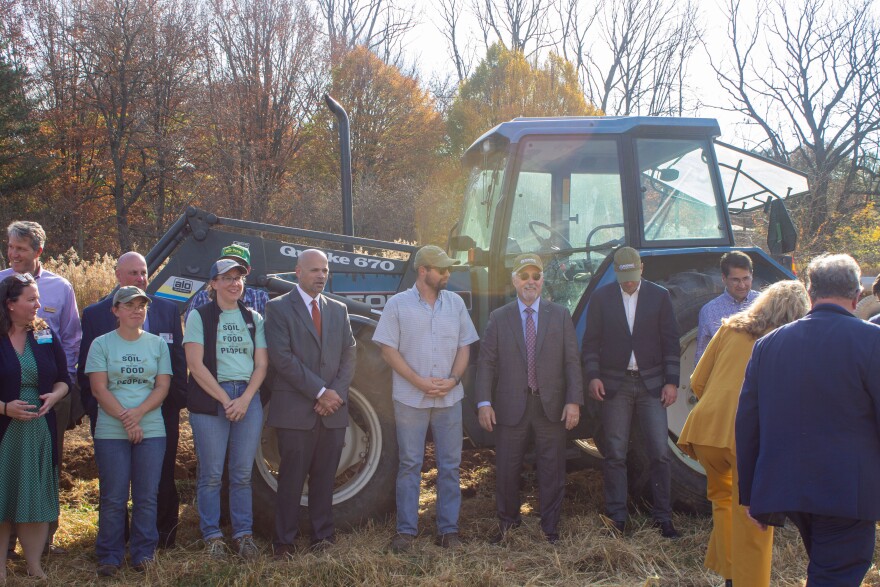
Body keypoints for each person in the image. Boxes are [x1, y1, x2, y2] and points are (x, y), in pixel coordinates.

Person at [736, 254, 880, 586]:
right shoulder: (872, 341)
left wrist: (752, 495)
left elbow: (747, 425)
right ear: (858, 295)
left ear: (810, 293)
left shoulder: (768, 345)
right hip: (848, 490)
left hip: (789, 485)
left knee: (826, 566)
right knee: (836, 574)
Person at [677, 280, 809, 587]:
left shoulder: (730, 327)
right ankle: (749, 582)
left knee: (723, 503)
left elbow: (697, 380)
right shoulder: (786, 340)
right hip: (747, 439)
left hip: (706, 431)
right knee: (755, 516)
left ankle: (730, 576)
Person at [373, 245, 479, 553]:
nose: (448, 274)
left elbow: (464, 346)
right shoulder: (398, 305)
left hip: (449, 398)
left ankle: (448, 531)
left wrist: (454, 380)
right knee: (410, 463)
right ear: (423, 271)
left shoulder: (455, 304)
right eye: (442, 269)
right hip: (410, 399)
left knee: (450, 464)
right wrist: (418, 381)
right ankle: (406, 531)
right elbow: (387, 350)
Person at [77, 252, 186, 548]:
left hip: (159, 411)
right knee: (115, 486)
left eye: (144, 272)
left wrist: (173, 403)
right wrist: (100, 410)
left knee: (159, 478)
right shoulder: (96, 313)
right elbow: (86, 370)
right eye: (133, 273)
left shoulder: (166, 309)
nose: (140, 278)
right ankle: (117, 541)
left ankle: (161, 538)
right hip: (111, 413)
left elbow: (177, 362)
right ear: (117, 275)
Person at [475, 253, 583, 545]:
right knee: (507, 470)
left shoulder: (559, 315)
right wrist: (484, 403)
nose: (530, 282)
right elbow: (487, 363)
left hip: (551, 407)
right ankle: (508, 526)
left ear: (542, 280)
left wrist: (573, 401)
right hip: (510, 407)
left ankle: (550, 528)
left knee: (552, 469)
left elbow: (572, 362)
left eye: (536, 276)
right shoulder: (499, 318)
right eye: (524, 276)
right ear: (514, 280)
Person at [582, 246, 680, 538]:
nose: (629, 282)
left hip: (652, 384)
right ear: (616, 272)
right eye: (623, 277)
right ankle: (617, 519)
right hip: (616, 384)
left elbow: (671, 342)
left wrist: (671, 381)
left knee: (660, 453)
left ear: (642, 268)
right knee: (614, 453)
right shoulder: (601, 298)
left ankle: (664, 517)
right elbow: (590, 343)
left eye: (633, 276)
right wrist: (593, 376)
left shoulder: (660, 296)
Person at [265, 249, 356, 558]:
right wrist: (320, 392)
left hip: (333, 412)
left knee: (324, 477)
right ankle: (284, 542)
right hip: (296, 412)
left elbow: (349, 354)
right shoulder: (277, 309)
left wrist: (336, 394)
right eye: (315, 270)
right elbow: (282, 358)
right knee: (291, 479)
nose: (321, 275)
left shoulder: (338, 309)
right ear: (298, 272)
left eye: (325, 270)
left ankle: (322, 537)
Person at [0, 221, 80, 555]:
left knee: (47, 464)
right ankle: (6, 547)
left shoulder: (60, 287)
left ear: (38, 251)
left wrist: (64, 385)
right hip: (7, 394)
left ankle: (43, 542)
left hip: (51, 395)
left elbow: (72, 337)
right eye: (10, 246)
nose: (12, 253)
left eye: (20, 248)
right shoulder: (1, 283)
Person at [184, 258, 267, 560]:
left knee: (243, 473)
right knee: (211, 473)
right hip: (211, 399)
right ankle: (213, 536)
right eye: (227, 278)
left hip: (247, 399)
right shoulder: (199, 316)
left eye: (239, 277)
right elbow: (194, 364)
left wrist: (244, 400)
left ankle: (243, 534)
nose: (234, 283)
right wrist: (224, 399)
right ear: (214, 284)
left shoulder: (253, 318)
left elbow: (261, 365)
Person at [85, 286, 171, 577]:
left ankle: (143, 553)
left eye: (141, 305)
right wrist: (127, 419)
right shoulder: (101, 344)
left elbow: (162, 387)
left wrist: (138, 415)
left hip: (152, 429)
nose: (137, 310)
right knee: (114, 495)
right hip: (111, 431)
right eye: (129, 305)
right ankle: (109, 554)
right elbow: (98, 389)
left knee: (147, 495)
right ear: (116, 310)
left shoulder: (158, 344)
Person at [0, 274, 70, 580]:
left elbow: (64, 379)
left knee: (36, 497)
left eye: (37, 298)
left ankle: (34, 564)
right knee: (3, 497)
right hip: (5, 430)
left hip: (39, 430)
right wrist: (4, 408)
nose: (38, 305)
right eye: (31, 299)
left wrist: (55, 395)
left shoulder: (44, 333)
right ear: (10, 304)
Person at [694, 251, 759, 363]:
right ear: (724, 278)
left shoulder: (766, 304)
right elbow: (702, 357)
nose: (742, 285)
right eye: (735, 280)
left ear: (752, 275)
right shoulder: (709, 311)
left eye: (746, 278)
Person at [185, 244, 269, 319]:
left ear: (248, 269)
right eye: (227, 262)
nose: (232, 267)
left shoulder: (260, 298)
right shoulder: (202, 298)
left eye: (238, 263)